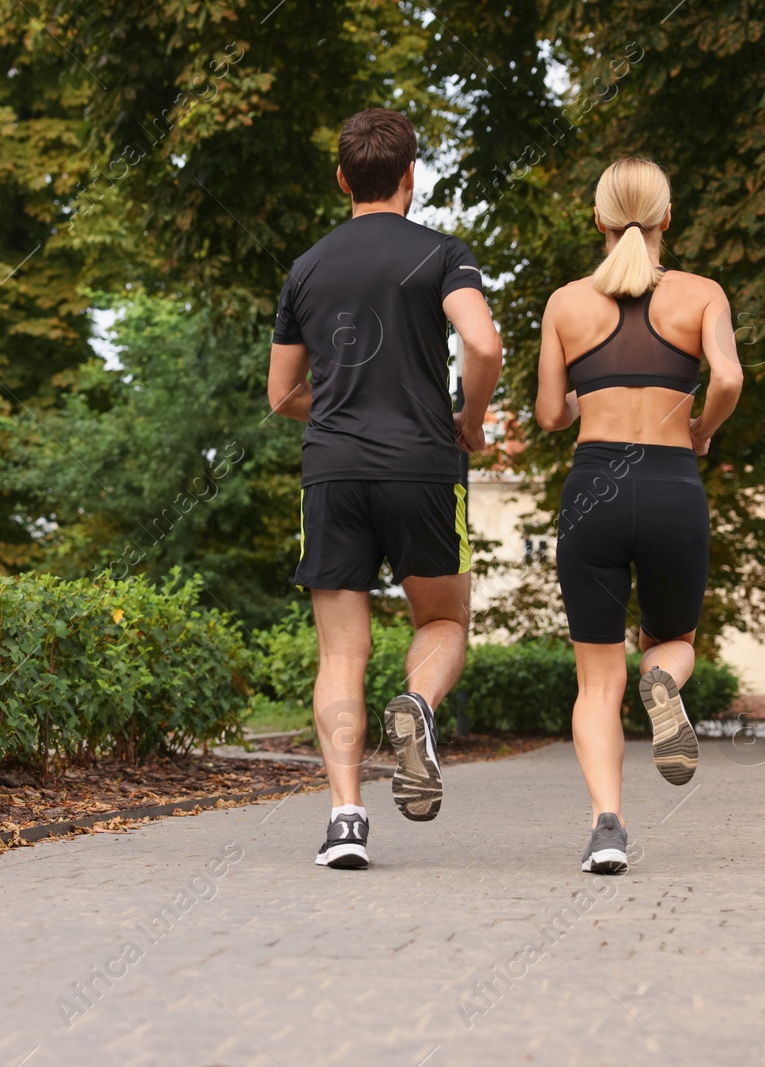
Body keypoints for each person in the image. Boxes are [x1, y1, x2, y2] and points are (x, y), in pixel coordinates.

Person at [268, 108, 503, 869]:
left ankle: (344, 818)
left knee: (342, 652)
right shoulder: (442, 253)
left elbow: (280, 395)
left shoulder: (306, 266)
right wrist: (467, 416)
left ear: (343, 179)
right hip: (424, 466)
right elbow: (484, 341)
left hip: (333, 471)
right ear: (411, 177)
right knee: (441, 620)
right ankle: (420, 709)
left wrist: (336, 402)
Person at [535, 157, 743, 874]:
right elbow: (730, 377)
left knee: (596, 681)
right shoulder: (702, 294)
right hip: (670, 486)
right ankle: (664, 684)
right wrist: (703, 430)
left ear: (597, 220)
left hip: (592, 489)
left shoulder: (565, 303)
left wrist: (581, 397)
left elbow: (550, 415)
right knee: (673, 638)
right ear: (667, 218)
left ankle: (606, 828)